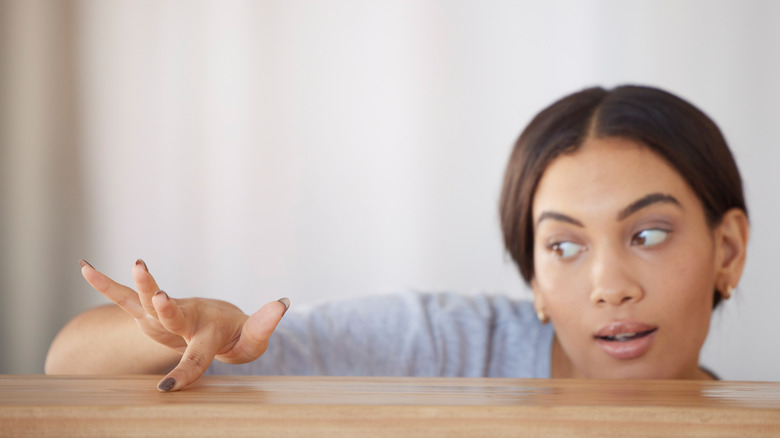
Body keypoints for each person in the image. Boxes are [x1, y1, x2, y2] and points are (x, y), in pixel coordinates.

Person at [45, 85, 750, 392]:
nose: (609, 286)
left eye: (648, 234)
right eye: (564, 247)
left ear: (728, 251)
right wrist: (198, 328)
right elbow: (69, 366)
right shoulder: (442, 348)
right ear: (534, 279)